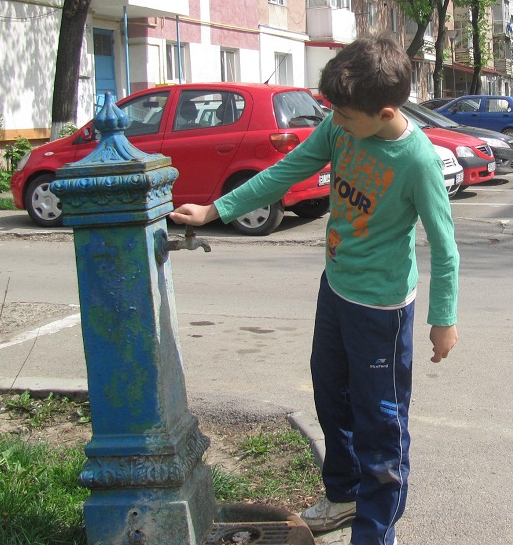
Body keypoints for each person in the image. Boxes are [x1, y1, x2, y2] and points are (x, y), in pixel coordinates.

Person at [169, 35, 459, 545]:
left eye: (343, 115)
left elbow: (445, 245)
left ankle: (375, 531)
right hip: (336, 290)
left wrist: (444, 319)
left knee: (381, 423)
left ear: (385, 112)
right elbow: (288, 170)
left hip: (382, 311)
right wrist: (217, 209)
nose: (335, 123)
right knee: (331, 397)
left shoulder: (417, 161)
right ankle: (344, 495)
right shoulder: (341, 125)